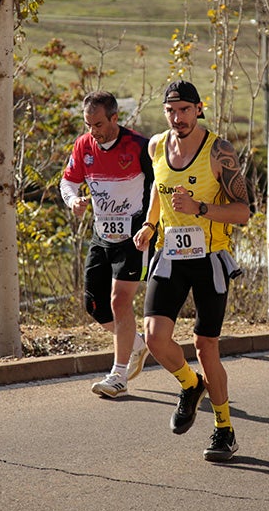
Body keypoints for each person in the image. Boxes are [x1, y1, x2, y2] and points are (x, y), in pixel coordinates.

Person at [133, 80, 250, 462]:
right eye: (171, 111)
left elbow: (243, 212)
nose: (177, 117)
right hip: (169, 255)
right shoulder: (156, 146)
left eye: (184, 110)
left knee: (205, 346)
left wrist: (199, 208)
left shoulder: (219, 151)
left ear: (199, 108)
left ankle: (224, 429)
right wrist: (150, 225)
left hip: (209, 259)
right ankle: (189, 384)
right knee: (154, 337)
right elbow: (158, 190)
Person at [60, 90, 153, 398]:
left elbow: (159, 187)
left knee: (119, 302)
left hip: (134, 236)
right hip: (102, 234)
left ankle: (119, 375)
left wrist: (153, 225)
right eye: (88, 124)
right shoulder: (84, 145)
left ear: (115, 118)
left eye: (98, 124)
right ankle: (136, 344)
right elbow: (68, 180)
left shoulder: (139, 147)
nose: (93, 131)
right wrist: (73, 200)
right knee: (95, 305)